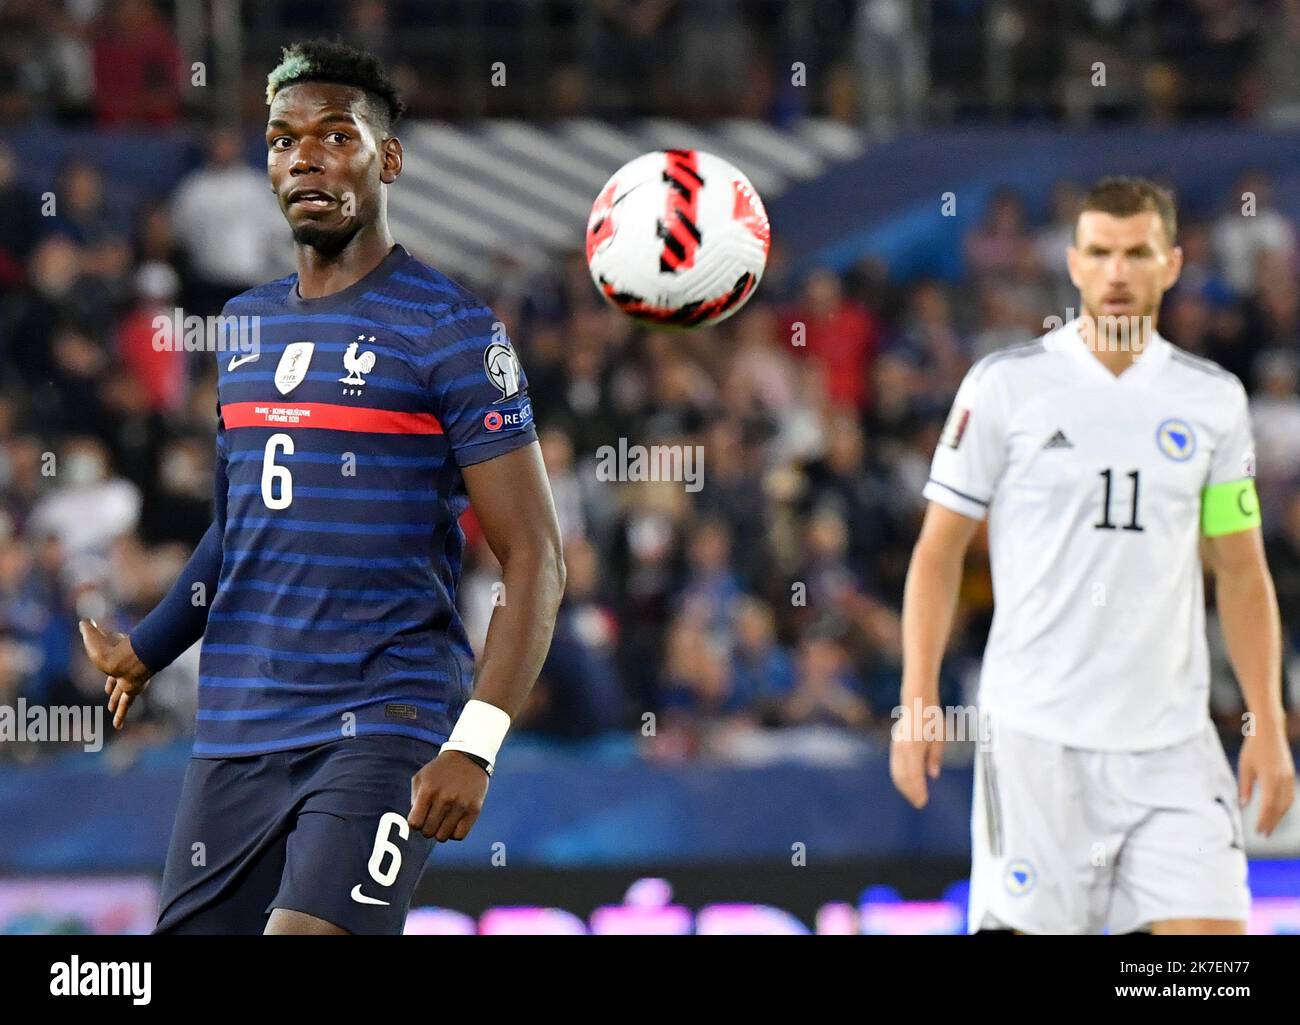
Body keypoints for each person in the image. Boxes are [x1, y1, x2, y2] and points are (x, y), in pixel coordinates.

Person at [78, 40, 566, 935]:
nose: (304, 154)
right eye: (282, 138)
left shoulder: (453, 331)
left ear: (388, 160)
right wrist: (149, 647)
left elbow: (536, 555)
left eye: (335, 135)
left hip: (385, 717)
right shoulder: (244, 325)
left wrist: (477, 742)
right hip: (238, 729)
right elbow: (241, 527)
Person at [891, 177, 1295, 935]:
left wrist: (1267, 721)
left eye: (1137, 253)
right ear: (1073, 265)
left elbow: (1240, 571)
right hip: (1038, 739)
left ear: (1171, 264)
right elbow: (937, 553)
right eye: (1101, 253)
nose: (1117, 273)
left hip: (1171, 741)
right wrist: (918, 698)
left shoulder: (1213, 402)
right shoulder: (1007, 387)